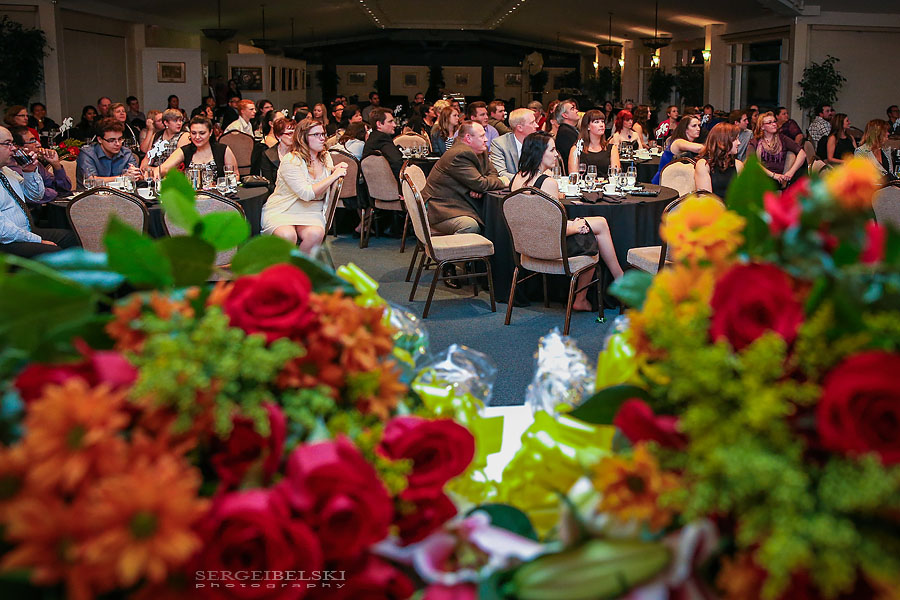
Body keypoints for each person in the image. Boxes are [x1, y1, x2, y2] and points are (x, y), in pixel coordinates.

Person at [510, 131, 624, 311]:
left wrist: (573, 224)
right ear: (539, 153)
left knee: (600, 222)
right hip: (550, 248)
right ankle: (589, 294)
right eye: (552, 150)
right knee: (591, 239)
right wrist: (575, 227)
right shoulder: (547, 183)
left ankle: (619, 279)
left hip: (526, 246)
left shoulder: (517, 178)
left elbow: (538, 220)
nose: (556, 154)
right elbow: (554, 229)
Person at [261, 119, 348, 253]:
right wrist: (333, 176)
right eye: (316, 135)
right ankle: (285, 271)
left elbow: (324, 174)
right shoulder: (290, 161)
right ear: (303, 138)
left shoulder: (325, 157)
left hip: (312, 210)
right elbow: (306, 193)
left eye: (323, 134)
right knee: (287, 235)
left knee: (315, 234)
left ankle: (299, 269)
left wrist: (334, 169)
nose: (322, 139)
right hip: (284, 208)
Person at [0, 126, 79, 257]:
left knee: (73, 238)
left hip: (25, 231)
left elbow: (36, 196)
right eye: (8, 144)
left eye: (12, 143)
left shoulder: (7, 172)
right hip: (6, 242)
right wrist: (38, 240)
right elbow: (2, 230)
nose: (14, 148)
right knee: (54, 253)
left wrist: (29, 171)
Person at [422, 121, 508, 237]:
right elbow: (480, 184)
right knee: (471, 226)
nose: (486, 139)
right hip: (440, 208)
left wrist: (480, 185)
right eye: (482, 136)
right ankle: (455, 254)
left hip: (459, 202)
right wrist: (502, 181)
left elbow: (491, 173)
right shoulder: (459, 154)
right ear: (468, 138)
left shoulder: (479, 150)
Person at [160, 116, 238, 180]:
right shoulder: (185, 150)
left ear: (210, 132)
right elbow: (163, 169)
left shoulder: (223, 150)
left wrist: (220, 185)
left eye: (202, 133)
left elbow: (235, 175)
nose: (197, 137)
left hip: (218, 196)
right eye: (193, 133)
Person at [7, 126, 72, 203]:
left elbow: (65, 188)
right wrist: (55, 192)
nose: (38, 144)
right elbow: (39, 196)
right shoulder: (9, 168)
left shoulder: (35, 163)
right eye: (32, 141)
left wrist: (56, 165)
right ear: (17, 147)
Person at [75, 118, 141, 189]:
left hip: (121, 196)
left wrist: (135, 174)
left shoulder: (126, 153)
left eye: (120, 139)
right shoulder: (87, 153)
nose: (118, 144)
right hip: (91, 197)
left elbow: (139, 176)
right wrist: (123, 177)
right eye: (111, 140)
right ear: (100, 139)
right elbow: (91, 181)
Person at [748, 111, 806, 188]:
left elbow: (802, 154)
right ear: (762, 127)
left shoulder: (782, 139)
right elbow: (751, 162)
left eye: (774, 121)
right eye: (769, 122)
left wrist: (790, 172)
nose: (774, 124)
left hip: (780, 180)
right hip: (762, 177)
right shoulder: (755, 142)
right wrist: (773, 175)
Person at [694, 123, 744, 198]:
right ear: (723, 141)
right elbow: (706, 199)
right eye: (735, 139)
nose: (739, 143)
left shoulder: (738, 165)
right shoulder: (703, 165)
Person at [651, 115, 703, 185]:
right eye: (694, 126)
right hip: (664, 182)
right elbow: (699, 148)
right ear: (685, 129)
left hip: (677, 181)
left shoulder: (686, 142)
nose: (698, 129)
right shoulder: (678, 142)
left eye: (699, 125)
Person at [568, 109, 620, 176]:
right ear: (588, 126)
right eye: (596, 122)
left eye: (602, 121)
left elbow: (615, 174)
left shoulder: (612, 148)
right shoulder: (576, 149)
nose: (601, 125)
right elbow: (573, 176)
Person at [490, 107, 538, 180]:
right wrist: (529, 179)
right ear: (520, 128)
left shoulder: (539, 141)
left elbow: (546, 170)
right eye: (532, 123)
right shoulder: (500, 144)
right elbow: (501, 173)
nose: (536, 125)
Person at [252, 118, 295, 190]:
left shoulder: (300, 153)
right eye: (289, 134)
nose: (293, 137)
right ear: (278, 136)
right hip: (277, 192)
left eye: (295, 133)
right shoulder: (268, 155)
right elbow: (269, 183)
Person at [362, 107, 404, 181]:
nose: (394, 125)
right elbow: (397, 162)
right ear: (379, 124)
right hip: (390, 185)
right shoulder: (382, 138)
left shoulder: (373, 137)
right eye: (390, 121)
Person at [554, 100, 580, 174]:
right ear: (565, 115)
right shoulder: (565, 133)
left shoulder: (569, 130)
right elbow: (575, 156)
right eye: (572, 109)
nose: (577, 111)